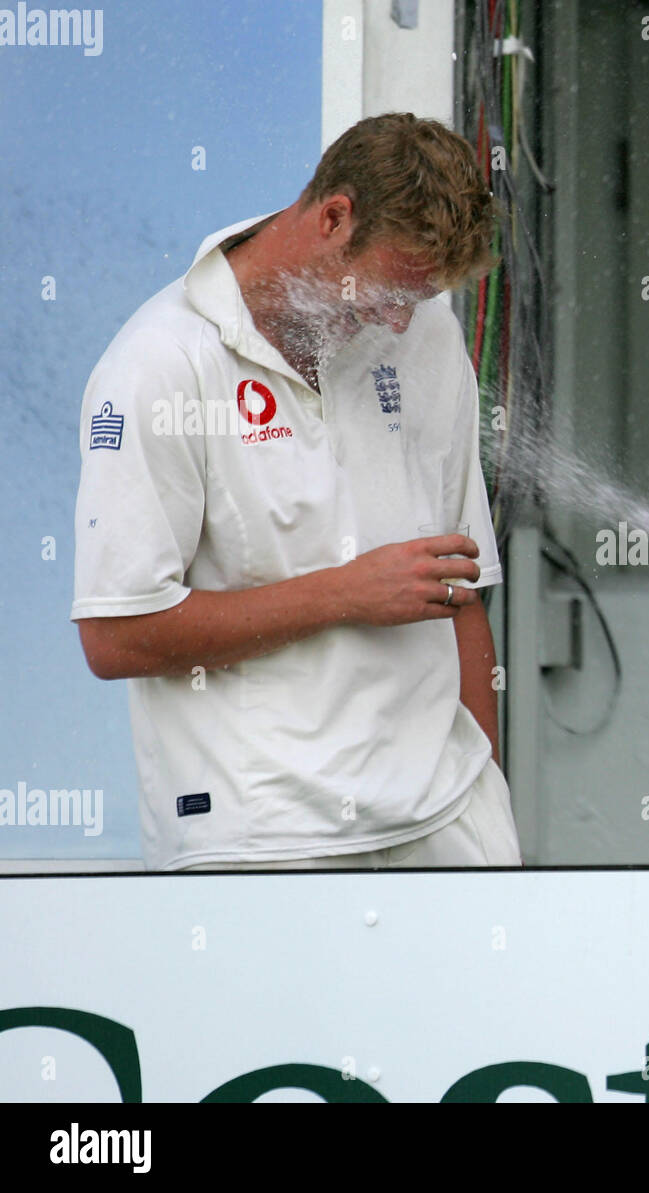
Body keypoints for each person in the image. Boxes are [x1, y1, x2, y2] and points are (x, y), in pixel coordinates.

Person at [71, 113, 521, 872]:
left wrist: (489, 795)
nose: (398, 318)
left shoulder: (424, 334)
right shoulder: (158, 363)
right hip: (263, 837)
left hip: (447, 818)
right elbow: (115, 637)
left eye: (422, 295)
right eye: (389, 286)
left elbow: (463, 594)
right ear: (333, 216)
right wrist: (344, 592)